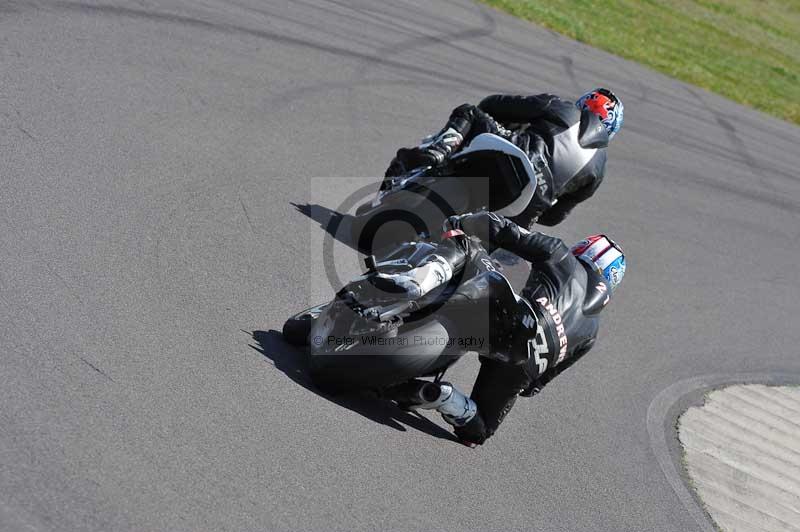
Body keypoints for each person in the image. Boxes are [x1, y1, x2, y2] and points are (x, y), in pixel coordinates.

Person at [378, 211, 626, 446]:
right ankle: (442, 397)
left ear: (583, 250)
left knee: (466, 248)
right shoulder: (591, 333)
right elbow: (535, 387)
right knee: (478, 432)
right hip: (522, 366)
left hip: (509, 317)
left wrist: (463, 222)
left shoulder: (561, 255)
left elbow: (506, 230)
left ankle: (417, 285)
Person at [384, 89, 624, 227]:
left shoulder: (561, 107)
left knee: (468, 111)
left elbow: (493, 105)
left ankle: (438, 152)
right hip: (528, 205)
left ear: (583, 103)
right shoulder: (598, 170)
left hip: (509, 156)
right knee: (496, 251)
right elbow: (554, 217)